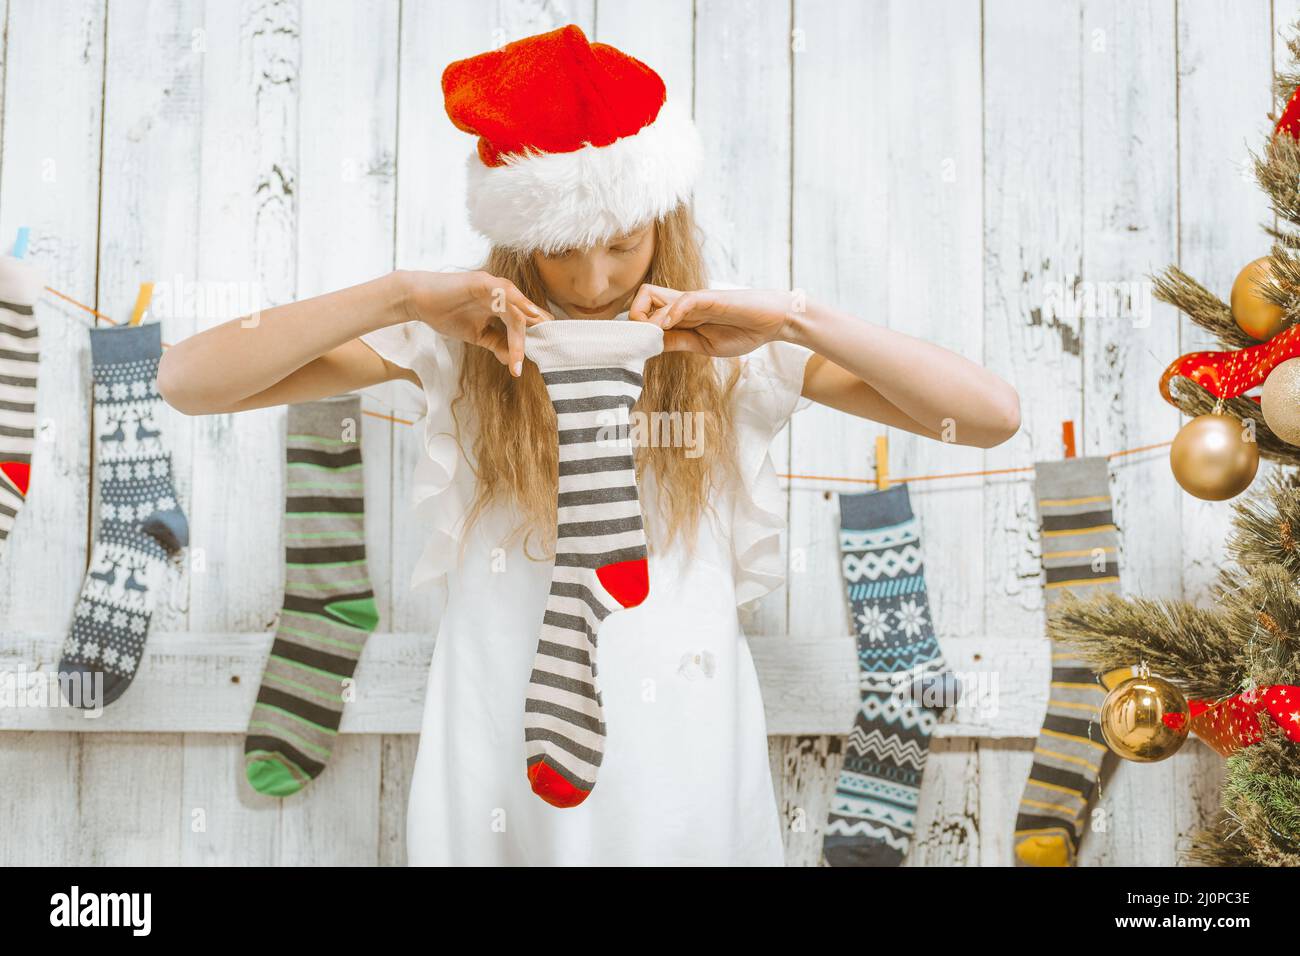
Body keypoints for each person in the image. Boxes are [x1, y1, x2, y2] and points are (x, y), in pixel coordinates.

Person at [157, 24, 1020, 865]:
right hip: (499, 745)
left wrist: (794, 317)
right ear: (523, 243)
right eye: (564, 252)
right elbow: (190, 381)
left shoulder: (726, 354)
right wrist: (399, 297)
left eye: (622, 245)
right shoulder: (458, 347)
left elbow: (988, 415)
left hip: (680, 751)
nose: (597, 281)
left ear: (661, 221)